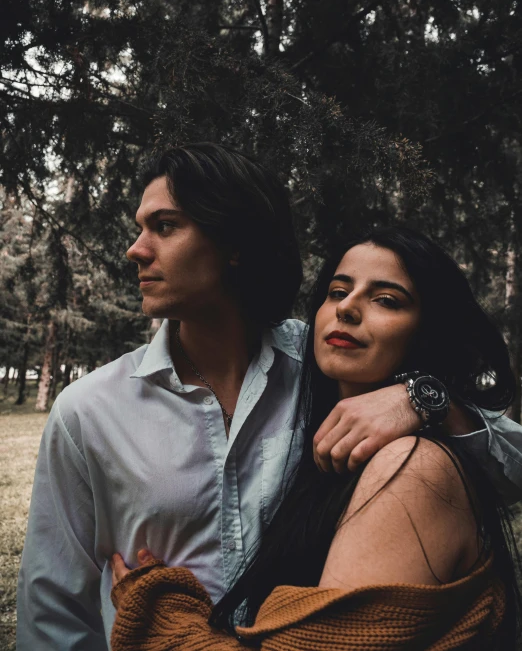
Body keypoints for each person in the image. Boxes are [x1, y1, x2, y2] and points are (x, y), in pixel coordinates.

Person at [17, 144, 522, 650]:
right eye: (337, 291)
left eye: (164, 227)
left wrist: (419, 400)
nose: (136, 248)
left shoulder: (327, 366)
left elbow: (508, 465)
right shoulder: (88, 411)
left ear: (234, 243)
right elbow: (53, 614)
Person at [109, 227, 521, 650]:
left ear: (429, 331)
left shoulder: (413, 467)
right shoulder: (323, 441)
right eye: (337, 291)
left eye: (386, 300)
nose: (347, 308)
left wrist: (163, 624)